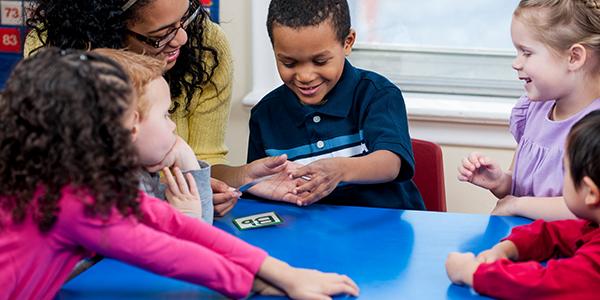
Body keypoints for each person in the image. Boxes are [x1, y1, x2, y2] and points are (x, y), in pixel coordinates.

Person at [0, 48, 359, 300]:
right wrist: (256, 282)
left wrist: (281, 273)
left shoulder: (81, 184)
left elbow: (179, 227)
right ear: (127, 128)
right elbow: (171, 255)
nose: (172, 125)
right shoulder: (78, 202)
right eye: (165, 114)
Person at [25, 0, 297, 217]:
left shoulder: (207, 48)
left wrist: (239, 178)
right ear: (108, 29)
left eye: (187, 15)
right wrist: (181, 200)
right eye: (161, 35)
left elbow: (204, 160)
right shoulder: (55, 55)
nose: (181, 38)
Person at [247, 0, 424, 209]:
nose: (305, 76)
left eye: (320, 61)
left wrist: (341, 169)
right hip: (308, 233)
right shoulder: (265, 114)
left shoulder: (377, 95)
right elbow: (258, 186)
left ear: (347, 42)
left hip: (384, 231)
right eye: (289, 63)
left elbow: (391, 163)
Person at [457, 0, 600, 220]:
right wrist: (501, 182)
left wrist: (517, 205)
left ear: (574, 57)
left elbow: (587, 209)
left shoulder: (595, 128)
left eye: (526, 52)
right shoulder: (534, 110)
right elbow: (519, 185)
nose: (516, 63)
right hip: (522, 242)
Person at [446, 110, 600, 299]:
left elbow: (542, 285)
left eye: (564, 170)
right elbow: (555, 233)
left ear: (590, 192)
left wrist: (470, 271)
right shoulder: (593, 228)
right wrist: (508, 248)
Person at [93, 48, 212, 224]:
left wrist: (184, 156)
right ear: (132, 127)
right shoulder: (117, 194)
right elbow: (198, 241)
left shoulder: (137, 172)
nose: (173, 125)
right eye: (165, 115)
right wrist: (188, 217)